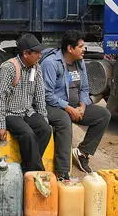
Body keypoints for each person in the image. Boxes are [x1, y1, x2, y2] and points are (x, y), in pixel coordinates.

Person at [41, 30, 111, 179]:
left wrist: (82, 106)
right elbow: (47, 94)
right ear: (70, 48)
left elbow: (85, 88)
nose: (84, 49)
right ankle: (62, 172)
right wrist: (68, 108)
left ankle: (82, 153)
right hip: (53, 106)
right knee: (64, 121)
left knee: (103, 115)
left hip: (74, 106)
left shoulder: (80, 63)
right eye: (80, 46)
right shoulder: (51, 63)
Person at [0, 33, 52, 172]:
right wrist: (0, 124)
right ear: (26, 53)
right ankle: (36, 172)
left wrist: (43, 118)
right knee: (27, 134)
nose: (40, 56)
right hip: (8, 112)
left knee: (45, 129)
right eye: (37, 53)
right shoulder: (9, 68)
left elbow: (40, 95)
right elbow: (0, 97)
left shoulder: (36, 68)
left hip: (26, 111)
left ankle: (27, 168)